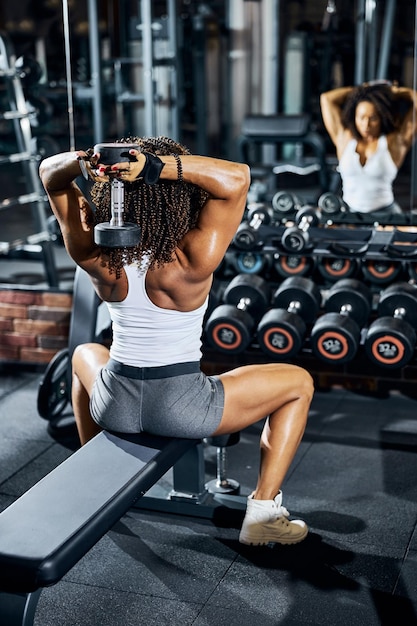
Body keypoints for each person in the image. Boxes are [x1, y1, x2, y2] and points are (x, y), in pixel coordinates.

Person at [39, 136, 314, 547]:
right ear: (179, 199)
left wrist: (87, 162)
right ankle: (263, 514)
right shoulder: (192, 258)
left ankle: (91, 474)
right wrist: (156, 166)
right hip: (183, 407)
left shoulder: (96, 256)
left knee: (84, 354)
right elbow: (237, 179)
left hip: (114, 402)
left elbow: (49, 173)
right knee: (298, 383)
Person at [320, 81, 417, 219]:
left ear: (381, 118)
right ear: (354, 118)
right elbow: (327, 99)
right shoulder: (344, 139)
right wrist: (363, 90)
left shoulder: (394, 142)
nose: (366, 124)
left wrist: (396, 92)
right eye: (361, 118)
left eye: (373, 118)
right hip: (349, 214)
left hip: (386, 214)